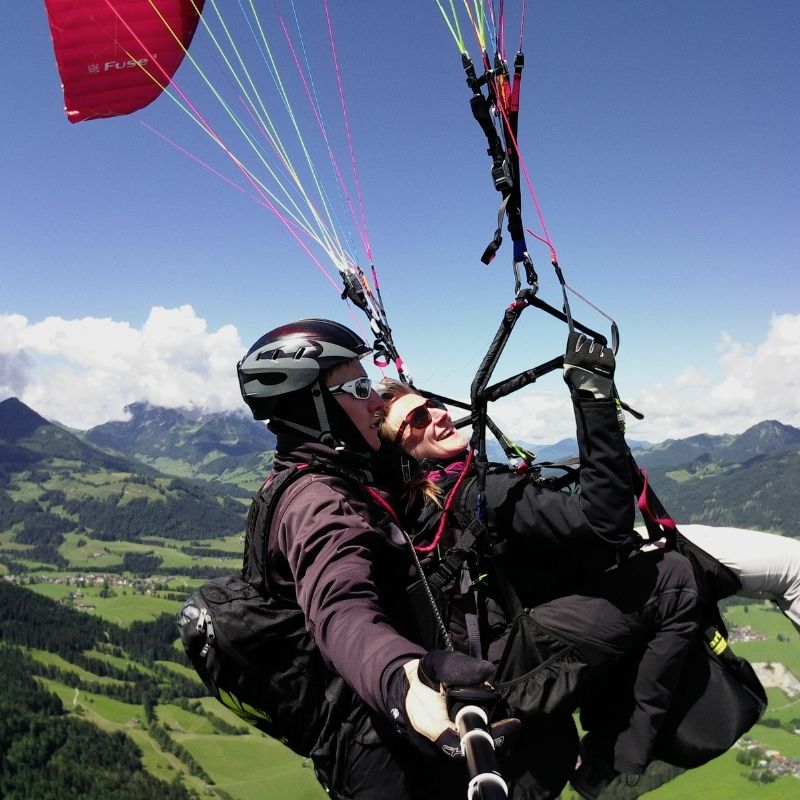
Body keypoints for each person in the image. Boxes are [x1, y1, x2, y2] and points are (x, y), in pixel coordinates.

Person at [235, 317, 562, 800]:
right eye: (359, 386)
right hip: (383, 755)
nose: (374, 401)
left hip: (375, 738)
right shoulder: (320, 502)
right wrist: (400, 677)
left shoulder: (328, 475)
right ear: (315, 407)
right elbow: (340, 609)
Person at [377, 333, 705, 799]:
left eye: (432, 405)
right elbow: (605, 521)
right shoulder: (476, 494)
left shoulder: (417, 504)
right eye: (417, 417)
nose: (440, 414)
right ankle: (617, 760)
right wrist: (594, 400)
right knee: (674, 579)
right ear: (399, 448)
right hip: (504, 663)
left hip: (476, 657)